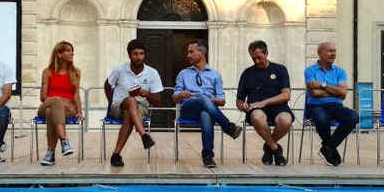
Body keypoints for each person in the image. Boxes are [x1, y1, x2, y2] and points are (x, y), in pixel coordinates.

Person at [173, 39, 242, 168]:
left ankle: (208, 155)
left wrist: (209, 99)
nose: (188, 55)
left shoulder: (215, 75)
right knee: (202, 98)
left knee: (206, 113)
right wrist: (181, 94)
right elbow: (174, 98)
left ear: (202, 53)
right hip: (188, 109)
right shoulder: (183, 74)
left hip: (207, 110)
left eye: (191, 52)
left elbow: (222, 101)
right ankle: (228, 127)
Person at [104, 39, 162, 167]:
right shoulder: (120, 70)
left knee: (129, 115)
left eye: (141, 54)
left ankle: (116, 155)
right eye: (135, 54)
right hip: (119, 105)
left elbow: (157, 100)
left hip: (140, 107)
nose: (138, 57)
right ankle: (143, 134)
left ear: (144, 55)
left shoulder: (152, 73)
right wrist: (110, 102)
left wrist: (146, 94)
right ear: (129, 55)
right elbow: (107, 85)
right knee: (130, 100)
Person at [236, 40, 294, 166]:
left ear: (266, 53)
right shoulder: (247, 73)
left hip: (279, 107)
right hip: (255, 109)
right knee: (257, 117)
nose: (256, 61)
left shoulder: (280, 69)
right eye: (253, 58)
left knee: (286, 120)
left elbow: (286, 95)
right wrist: (243, 106)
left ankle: (268, 147)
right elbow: (239, 100)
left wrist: (264, 102)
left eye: (259, 57)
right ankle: (276, 149)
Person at [304, 41, 358, 166]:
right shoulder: (310, 71)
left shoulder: (340, 72)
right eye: (329, 51)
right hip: (316, 106)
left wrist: (323, 85)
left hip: (336, 106)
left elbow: (343, 93)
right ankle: (330, 149)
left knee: (353, 117)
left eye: (334, 51)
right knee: (322, 118)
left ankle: (328, 147)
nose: (333, 54)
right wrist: (335, 91)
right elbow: (315, 93)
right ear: (320, 53)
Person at [37, 41, 83, 166]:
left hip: (68, 109)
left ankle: (50, 153)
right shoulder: (47, 72)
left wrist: (79, 111)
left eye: (72, 50)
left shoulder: (76, 72)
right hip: (48, 103)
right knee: (54, 103)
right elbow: (43, 96)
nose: (72, 53)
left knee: (50, 112)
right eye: (68, 50)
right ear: (59, 54)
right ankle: (64, 140)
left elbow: (76, 95)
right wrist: (60, 100)